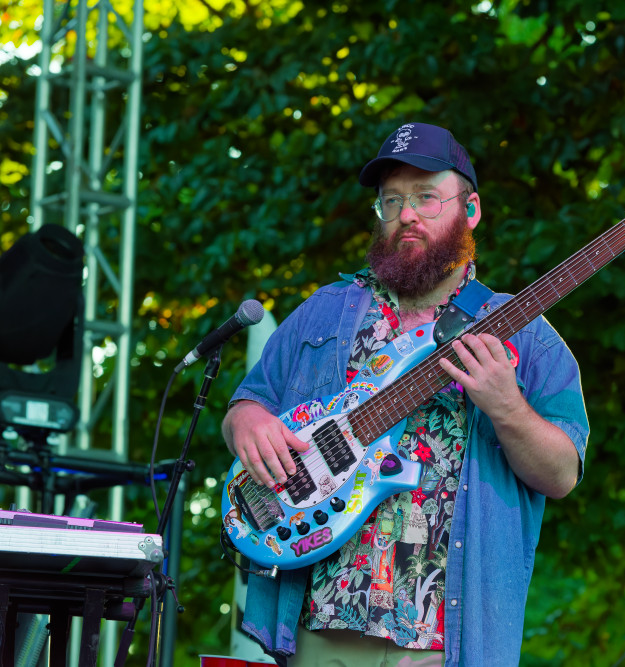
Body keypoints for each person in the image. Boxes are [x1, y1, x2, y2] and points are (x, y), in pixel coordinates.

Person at [221, 122, 589, 666]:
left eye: (426, 197)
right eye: (391, 200)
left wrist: (508, 407)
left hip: (444, 641)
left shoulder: (525, 334)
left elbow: (561, 475)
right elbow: (248, 404)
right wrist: (247, 422)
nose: (407, 214)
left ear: (471, 209)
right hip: (318, 623)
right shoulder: (324, 311)